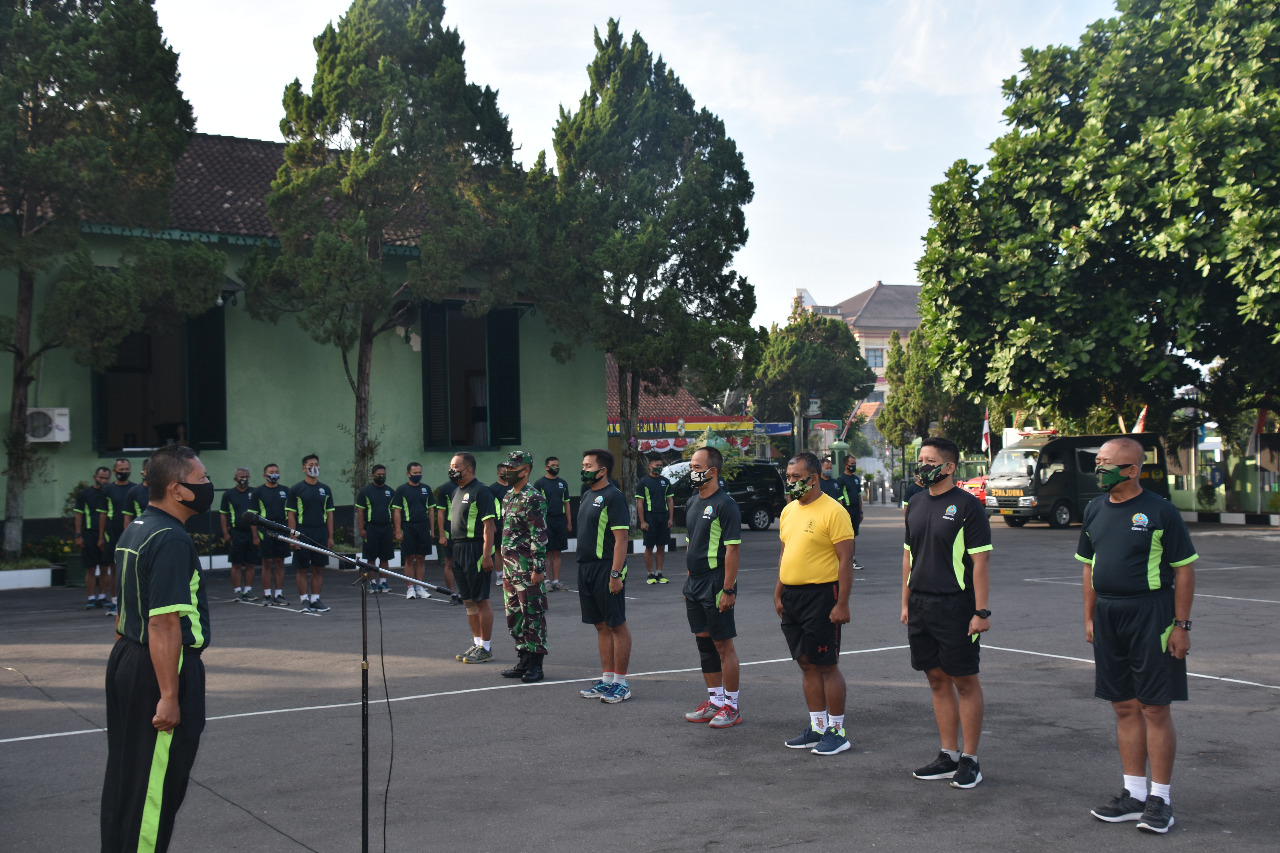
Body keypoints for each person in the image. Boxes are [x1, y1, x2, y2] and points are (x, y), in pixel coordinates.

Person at [1077, 437, 1197, 834]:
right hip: (1109, 615)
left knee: (1154, 708)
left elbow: (1183, 569)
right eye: (1097, 462)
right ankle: (1134, 795)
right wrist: (1090, 617)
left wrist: (1181, 625)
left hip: (1152, 615)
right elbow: (1088, 567)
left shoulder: (1160, 511)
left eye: (1106, 463)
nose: (1099, 469)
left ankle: (1160, 799)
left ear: (1131, 469)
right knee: (1124, 706)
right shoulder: (1094, 508)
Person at [100, 444, 213, 853]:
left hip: (130, 657)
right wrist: (168, 695)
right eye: (200, 479)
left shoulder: (137, 528)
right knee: (153, 793)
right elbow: (164, 621)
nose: (207, 485)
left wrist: (126, 662)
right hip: (160, 666)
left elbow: (127, 605)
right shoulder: (170, 538)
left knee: (128, 778)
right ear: (176, 489)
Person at [901, 436, 993, 789]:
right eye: (920, 459)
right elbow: (908, 556)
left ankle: (970, 759)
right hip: (922, 604)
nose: (922, 465)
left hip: (956, 606)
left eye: (929, 460)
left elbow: (980, 562)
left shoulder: (968, 506)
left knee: (964, 681)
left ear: (950, 466)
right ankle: (948, 754)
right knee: (936, 679)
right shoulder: (916, 503)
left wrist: (981, 610)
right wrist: (906, 602)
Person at [775, 452, 855, 755]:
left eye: (797, 477)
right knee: (805, 663)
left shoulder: (833, 512)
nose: (792, 482)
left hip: (823, 596)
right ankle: (817, 726)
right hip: (793, 597)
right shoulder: (788, 511)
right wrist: (778, 590)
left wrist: (842, 603)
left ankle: (837, 730)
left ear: (814, 477)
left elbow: (845, 559)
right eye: (789, 477)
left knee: (826, 665)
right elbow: (786, 552)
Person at [681, 447, 743, 728]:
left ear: (712, 471)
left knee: (722, 644)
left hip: (717, 582)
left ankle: (731, 706)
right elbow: (691, 542)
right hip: (694, 582)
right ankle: (715, 700)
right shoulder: (693, 501)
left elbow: (732, 551)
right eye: (691, 466)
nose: (692, 471)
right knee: (704, 642)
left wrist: (728, 590)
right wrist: (688, 576)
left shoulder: (725, 504)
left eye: (697, 466)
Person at [576, 448, 635, 704]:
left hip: (606, 568)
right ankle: (607, 679)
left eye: (588, 465)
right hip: (586, 568)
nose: (584, 469)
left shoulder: (613, 497)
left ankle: (621, 683)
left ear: (603, 470)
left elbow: (621, 539)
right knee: (600, 625)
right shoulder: (587, 495)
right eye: (583, 464)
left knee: (616, 624)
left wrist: (615, 573)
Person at [497, 451, 550, 682]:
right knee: (514, 617)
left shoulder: (533, 498)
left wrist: (538, 569)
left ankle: (536, 665)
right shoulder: (508, 497)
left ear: (525, 471)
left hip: (528, 570)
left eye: (512, 468)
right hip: (510, 571)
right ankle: (523, 660)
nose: (507, 471)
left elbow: (538, 536)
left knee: (533, 616)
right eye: (506, 467)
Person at [448, 453, 498, 663]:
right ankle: (477, 644)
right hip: (458, 549)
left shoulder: (481, 492)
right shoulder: (457, 491)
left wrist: (487, 555)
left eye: (455, 466)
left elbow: (489, 527)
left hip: (475, 549)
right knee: (468, 601)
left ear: (467, 469)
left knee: (481, 600)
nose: (451, 469)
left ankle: (486, 648)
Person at [287, 454, 335, 612]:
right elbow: (291, 514)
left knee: (318, 567)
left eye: (316, 464)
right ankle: (304, 600)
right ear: (303, 468)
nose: (314, 467)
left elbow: (329, 514)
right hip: (303, 531)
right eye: (310, 464)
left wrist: (330, 536)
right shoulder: (296, 489)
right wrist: (293, 535)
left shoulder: (325, 489)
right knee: (302, 568)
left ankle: (315, 599)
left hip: (320, 531)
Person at [96, 457, 134, 616]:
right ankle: (115, 603)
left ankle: (132, 603)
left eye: (126, 470)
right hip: (112, 533)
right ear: (114, 471)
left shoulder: (135, 489)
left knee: (132, 569)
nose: (124, 472)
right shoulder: (107, 490)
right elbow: (103, 515)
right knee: (114, 568)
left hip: (132, 533)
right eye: (121, 470)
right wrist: (101, 536)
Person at [393, 462, 436, 600]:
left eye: (419, 473)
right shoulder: (401, 490)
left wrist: (432, 529)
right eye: (415, 473)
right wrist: (398, 530)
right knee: (409, 558)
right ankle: (410, 588)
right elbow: (397, 511)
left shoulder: (426, 489)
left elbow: (431, 510)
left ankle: (419, 586)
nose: (418, 475)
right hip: (408, 527)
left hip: (423, 527)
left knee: (421, 558)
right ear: (408, 474)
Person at [251, 464, 292, 606]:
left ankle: (278, 594)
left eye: (276, 472)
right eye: (271, 472)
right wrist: (255, 536)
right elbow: (253, 516)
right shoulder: (258, 492)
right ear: (265, 475)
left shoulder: (286, 491)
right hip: (265, 532)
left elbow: (291, 513)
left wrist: (292, 533)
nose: (274, 474)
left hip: (282, 530)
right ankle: (267, 594)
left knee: (280, 562)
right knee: (267, 562)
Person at [74, 467, 111, 610]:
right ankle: (91, 598)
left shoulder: (109, 493)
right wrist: (78, 535)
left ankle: (102, 597)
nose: (103, 481)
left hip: (106, 534)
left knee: (104, 567)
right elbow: (78, 514)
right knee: (90, 568)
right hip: (89, 534)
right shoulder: (84, 494)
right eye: (101, 478)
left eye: (106, 478)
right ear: (95, 476)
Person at [220, 467, 259, 601]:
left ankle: (248, 590)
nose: (244, 478)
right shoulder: (228, 495)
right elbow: (223, 515)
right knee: (236, 563)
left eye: (246, 476)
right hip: (236, 533)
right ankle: (237, 591)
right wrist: (225, 532)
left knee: (250, 563)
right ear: (235, 479)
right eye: (241, 476)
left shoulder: (254, 493)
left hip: (252, 533)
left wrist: (256, 535)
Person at [533, 456, 572, 591]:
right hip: (545, 520)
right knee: (546, 552)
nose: (556, 467)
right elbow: (535, 505)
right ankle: (546, 581)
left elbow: (566, 504)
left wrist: (569, 522)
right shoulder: (540, 484)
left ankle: (556, 581)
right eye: (553, 465)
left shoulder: (563, 483)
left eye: (557, 464)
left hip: (559, 520)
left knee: (557, 552)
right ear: (546, 467)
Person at [357, 464, 396, 594]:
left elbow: (395, 512)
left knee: (385, 557)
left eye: (383, 475)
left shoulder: (390, 491)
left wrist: (396, 529)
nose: (381, 477)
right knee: (371, 557)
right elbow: (360, 512)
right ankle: (373, 583)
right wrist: (361, 529)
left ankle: (383, 582)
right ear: (372, 476)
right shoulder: (366, 491)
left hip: (386, 528)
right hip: (371, 528)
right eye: (379, 475)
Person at [634, 454, 673, 585]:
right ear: (650, 466)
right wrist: (642, 521)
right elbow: (640, 503)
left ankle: (659, 572)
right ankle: (650, 573)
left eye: (661, 466)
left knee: (661, 546)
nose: (659, 468)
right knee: (649, 546)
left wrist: (670, 518)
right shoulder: (643, 482)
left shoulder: (665, 482)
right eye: (657, 466)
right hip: (650, 517)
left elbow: (670, 500)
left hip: (663, 516)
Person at [835, 457, 864, 570]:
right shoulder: (841, 479)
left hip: (856, 510)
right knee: (846, 536)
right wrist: (843, 512)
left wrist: (861, 511)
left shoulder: (856, 479)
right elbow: (840, 497)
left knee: (853, 535)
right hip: (847, 510)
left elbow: (859, 495)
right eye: (852, 463)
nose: (854, 465)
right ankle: (845, 559)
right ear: (846, 465)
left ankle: (852, 558)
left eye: (855, 463)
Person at [435, 475, 460, 601]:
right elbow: (440, 512)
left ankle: (467, 593)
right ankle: (452, 593)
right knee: (449, 561)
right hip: (450, 528)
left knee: (467, 562)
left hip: (468, 529)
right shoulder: (445, 488)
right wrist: (441, 535)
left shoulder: (474, 487)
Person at [121, 460, 150, 526]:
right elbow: (127, 518)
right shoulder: (134, 492)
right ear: (142, 473)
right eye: (148, 471)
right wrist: (129, 535)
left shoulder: (164, 491)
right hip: (140, 530)